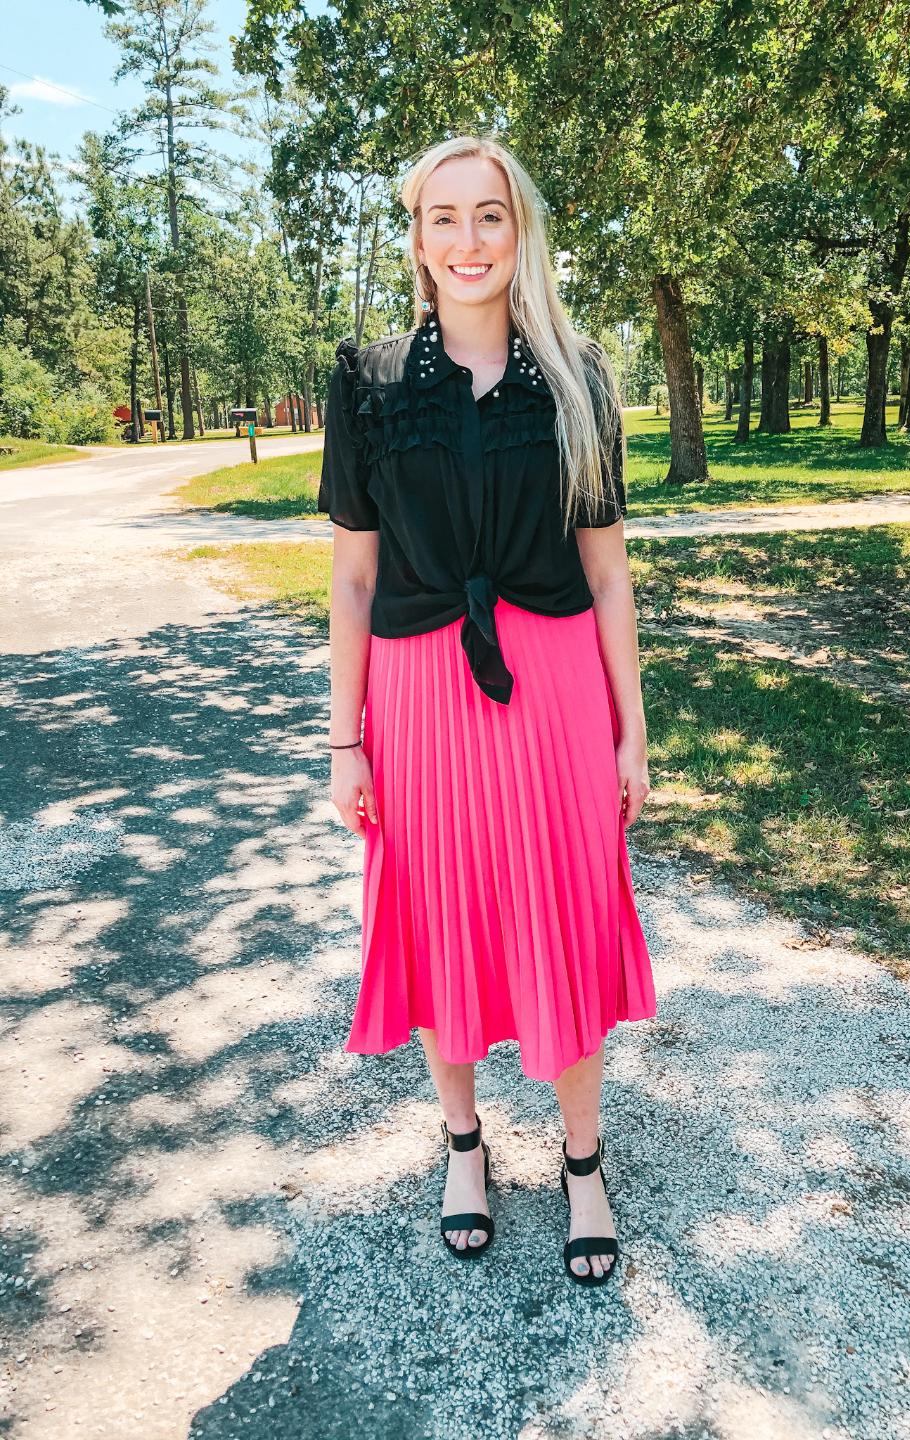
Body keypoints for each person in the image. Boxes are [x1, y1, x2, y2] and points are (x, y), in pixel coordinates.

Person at [319, 133, 656, 1287]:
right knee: (441, 918)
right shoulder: (366, 386)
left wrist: (632, 722)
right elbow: (354, 578)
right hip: (419, 694)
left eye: (491, 216)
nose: (468, 240)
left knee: (562, 909)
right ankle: (463, 1146)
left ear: (522, 235)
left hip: (554, 681)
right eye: (444, 218)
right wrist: (345, 741)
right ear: (416, 240)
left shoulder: (579, 378)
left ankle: (582, 1162)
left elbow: (608, 571)